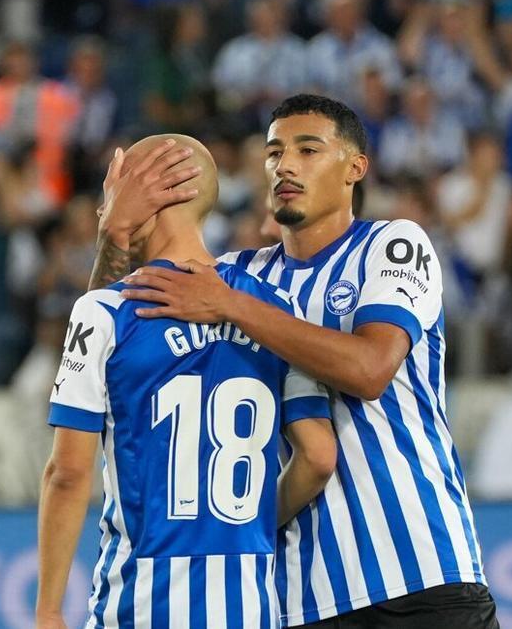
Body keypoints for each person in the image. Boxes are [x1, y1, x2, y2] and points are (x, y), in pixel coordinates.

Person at [99, 95, 498, 627]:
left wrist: (231, 306)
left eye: (308, 149)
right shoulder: (236, 276)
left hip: (420, 576)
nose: (284, 165)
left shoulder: (393, 244)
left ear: (355, 167)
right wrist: (113, 238)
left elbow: (370, 369)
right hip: (297, 596)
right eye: (273, 153)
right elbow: (106, 350)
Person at [36, 135, 337, 627]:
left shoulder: (105, 312)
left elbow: (67, 474)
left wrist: (48, 610)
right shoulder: (277, 311)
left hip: (141, 605)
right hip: (248, 605)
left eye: (114, 191)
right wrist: (243, 525)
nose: (103, 208)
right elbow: (319, 458)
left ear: (151, 196)